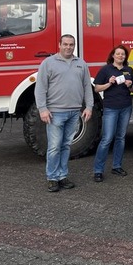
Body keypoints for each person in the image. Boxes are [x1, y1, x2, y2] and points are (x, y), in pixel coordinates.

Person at [35, 34, 93, 193]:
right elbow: (40, 88)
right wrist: (42, 109)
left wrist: (89, 107)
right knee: (54, 146)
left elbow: (88, 87)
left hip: (74, 113)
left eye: (71, 44)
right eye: (65, 44)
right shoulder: (48, 63)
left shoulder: (81, 63)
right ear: (59, 45)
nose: (68, 47)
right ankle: (52, 178)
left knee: (66, 145)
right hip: (55, 113)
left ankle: (62, 175)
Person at [92, 45, 133, 182]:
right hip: (111, 108)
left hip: (126, 107)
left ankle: (117, 166)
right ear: (113, 55)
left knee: (121, 137)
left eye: (123, 54)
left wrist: (130, 85)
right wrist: (109, 83)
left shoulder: (129, 70)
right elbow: (97, 88)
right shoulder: (106, 70)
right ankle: (98, 170)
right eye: (118, 54)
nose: (121, 56)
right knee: (106, 139)